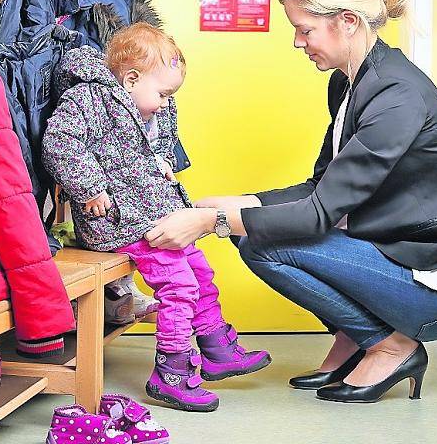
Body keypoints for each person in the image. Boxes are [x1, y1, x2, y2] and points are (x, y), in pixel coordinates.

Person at [144, 0, 437, 404]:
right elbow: (320, 187)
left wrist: (216, 221)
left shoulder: (397, 96)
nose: (297, 42)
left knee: (261, 242)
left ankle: (390, 344)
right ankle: (360, 336)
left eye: (304, 30)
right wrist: (240, 200)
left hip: (436, 291)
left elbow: (320, 212)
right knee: (254, 231)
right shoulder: (350, 81)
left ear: (346, 20)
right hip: (399, 257)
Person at [42, 23, 271, 412]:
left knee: (198, 270)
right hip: (117, 219)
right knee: (179, 285)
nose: (165, 103)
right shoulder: (90, 100)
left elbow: (152, 143)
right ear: (130, 79)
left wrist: (162, 161)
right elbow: (59, 142)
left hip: (152, 212)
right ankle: (172, 373)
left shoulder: (150, 104)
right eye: (163, 94)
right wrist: (91, 188)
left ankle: (215, 345)